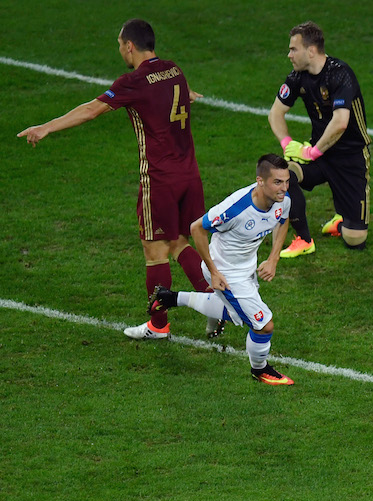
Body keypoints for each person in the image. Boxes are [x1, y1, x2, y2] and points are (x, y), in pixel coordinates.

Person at [17, 18, 223, 340]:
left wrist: (46, 127)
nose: (119, 50)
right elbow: (184, 94)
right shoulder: (174, 70)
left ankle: (158, 325)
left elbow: (91, 110)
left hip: (160, 179)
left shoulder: (134, 81)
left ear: (129, 46)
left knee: (155, 251)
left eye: (119, 45)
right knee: (180, 241)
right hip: (190, 175)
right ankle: (215, 303)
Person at [149, 154, 294, 385]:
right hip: (225, 272)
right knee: (263, 325)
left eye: (286, 181)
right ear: (260, 181)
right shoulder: (235, 208)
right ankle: (260, 370)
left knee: (237, 313)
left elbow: (283, 220)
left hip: (246, 266)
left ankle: (170, 298)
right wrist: (214, 272)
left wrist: (273, 258)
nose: (284, 188)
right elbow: (196, 228)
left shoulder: (282, 199)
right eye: (277, 182)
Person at [268, 20, 372, 258]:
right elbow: (275, 113)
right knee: (286, 174)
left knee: (355, 240)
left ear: (311, 51)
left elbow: (340, 122)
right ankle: (304, 239)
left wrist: (312, 152)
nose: (289, 55)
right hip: (320, 154)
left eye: (293, 49)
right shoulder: (297, 77)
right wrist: (287, 144)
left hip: (350, 157)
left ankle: (343, 220)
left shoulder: (340, 74)